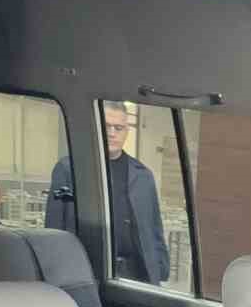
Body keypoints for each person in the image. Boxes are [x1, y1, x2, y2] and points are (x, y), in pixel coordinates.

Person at [44, 102, 170, 284]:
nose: (112, 133)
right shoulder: (68, 170)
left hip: (137, 274)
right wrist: (56, 274)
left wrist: (159, 269)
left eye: (118, 128)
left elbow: (154, 227)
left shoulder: (143, 176)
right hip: (86, 272)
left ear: (126, 131)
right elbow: (54, 227)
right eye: (106, 126)